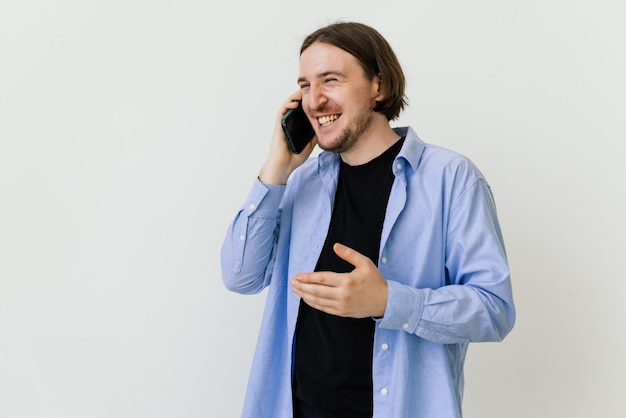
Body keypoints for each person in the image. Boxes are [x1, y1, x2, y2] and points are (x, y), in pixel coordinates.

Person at [220, 21, 515, 418]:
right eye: (305, 85)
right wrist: (275, 169)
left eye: (331, 80)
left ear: (379, 87)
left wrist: (389, 301)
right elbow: (241, 277)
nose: (314, 100)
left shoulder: (451, 178)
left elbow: (494, 309)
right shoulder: (299, 181)